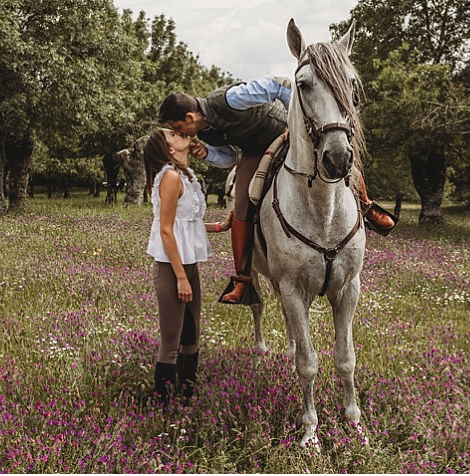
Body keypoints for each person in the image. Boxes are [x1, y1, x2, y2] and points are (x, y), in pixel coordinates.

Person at [159, 77, 394, 305]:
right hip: (254, 151)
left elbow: (278, 85)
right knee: (241, 203)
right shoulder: (205, 132)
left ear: (189, 116)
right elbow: (229, 158)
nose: (182, 135)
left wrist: (296, 123)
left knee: (338, 157)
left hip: (286, 132)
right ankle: (242, 278)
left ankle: (366, 206)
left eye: (178, 128)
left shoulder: (229, 99)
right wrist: (207, 154)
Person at [142, 129, 227, 405]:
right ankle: (163, 407)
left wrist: (218, 227)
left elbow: (186, 223)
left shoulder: (186, 177)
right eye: (173, 134)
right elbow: (166, 230)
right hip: (171, 269)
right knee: (171, 342)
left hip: (188, 267)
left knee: (191, 336)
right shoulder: (169, 177)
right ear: (168, 150)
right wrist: (181, 278)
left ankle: (187, 397)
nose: (180, 133)